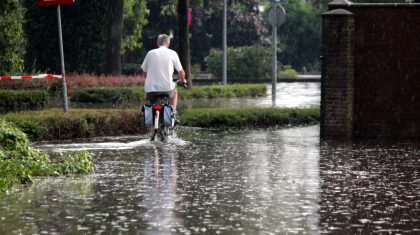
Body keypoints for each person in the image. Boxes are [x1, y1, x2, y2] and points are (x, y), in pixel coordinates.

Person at [141, 34, 186, 110]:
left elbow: (144, 72)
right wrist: (182, 80)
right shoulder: (173, 53)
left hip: (151, 89)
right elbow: (181, 72)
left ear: (157, 43)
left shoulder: (150, 53)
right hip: (168, 88)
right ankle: (173, 113)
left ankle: (152, 116)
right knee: (175, 91)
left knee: (151, 103)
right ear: (168, 44)